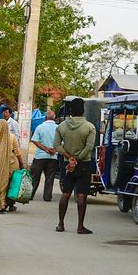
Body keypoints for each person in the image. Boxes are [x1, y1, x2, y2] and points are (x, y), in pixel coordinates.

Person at [54, 97, 96, 234]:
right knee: (82, 195)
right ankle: (80, 226)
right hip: (84, 164)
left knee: (66, 193)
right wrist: (77, 158)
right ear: (83, 110)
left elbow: (56, 145)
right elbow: (89, 146)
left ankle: (61, 224)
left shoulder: (61, 126)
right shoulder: (89, 127)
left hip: (67, 164)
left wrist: (69, 157)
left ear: (70, 110)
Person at [0, 119, 24, 213]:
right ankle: (10, 204)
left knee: (1, 182)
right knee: (10, 183)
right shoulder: (12, 137)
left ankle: (2, 204)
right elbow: (17, 152)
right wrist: (21, 164)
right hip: (12, 163)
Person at [30, 111, 59, 202]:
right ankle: (47, 196)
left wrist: (45, 149)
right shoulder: (58, 128)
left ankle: (30, 194)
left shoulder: (40, 127)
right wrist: (54, 150)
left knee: (35, 177)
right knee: (50, 178)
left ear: (45, 118)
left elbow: (34, 140)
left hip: (40, 156)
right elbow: (62, 142)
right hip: (53, 157)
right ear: (54, 118)